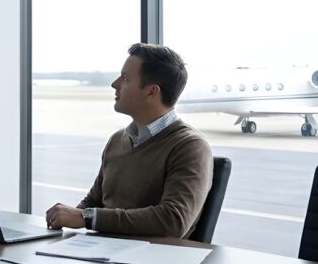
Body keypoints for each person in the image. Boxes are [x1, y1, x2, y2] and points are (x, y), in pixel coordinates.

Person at [45, 43, 212, 238]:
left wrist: (85, 217)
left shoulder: (190, 147)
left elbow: (173, 220)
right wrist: (62, 218)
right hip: (104, 256)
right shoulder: (117, 140)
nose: (114, 84)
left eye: (125, 78)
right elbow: (94, 202)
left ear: (151, 92)